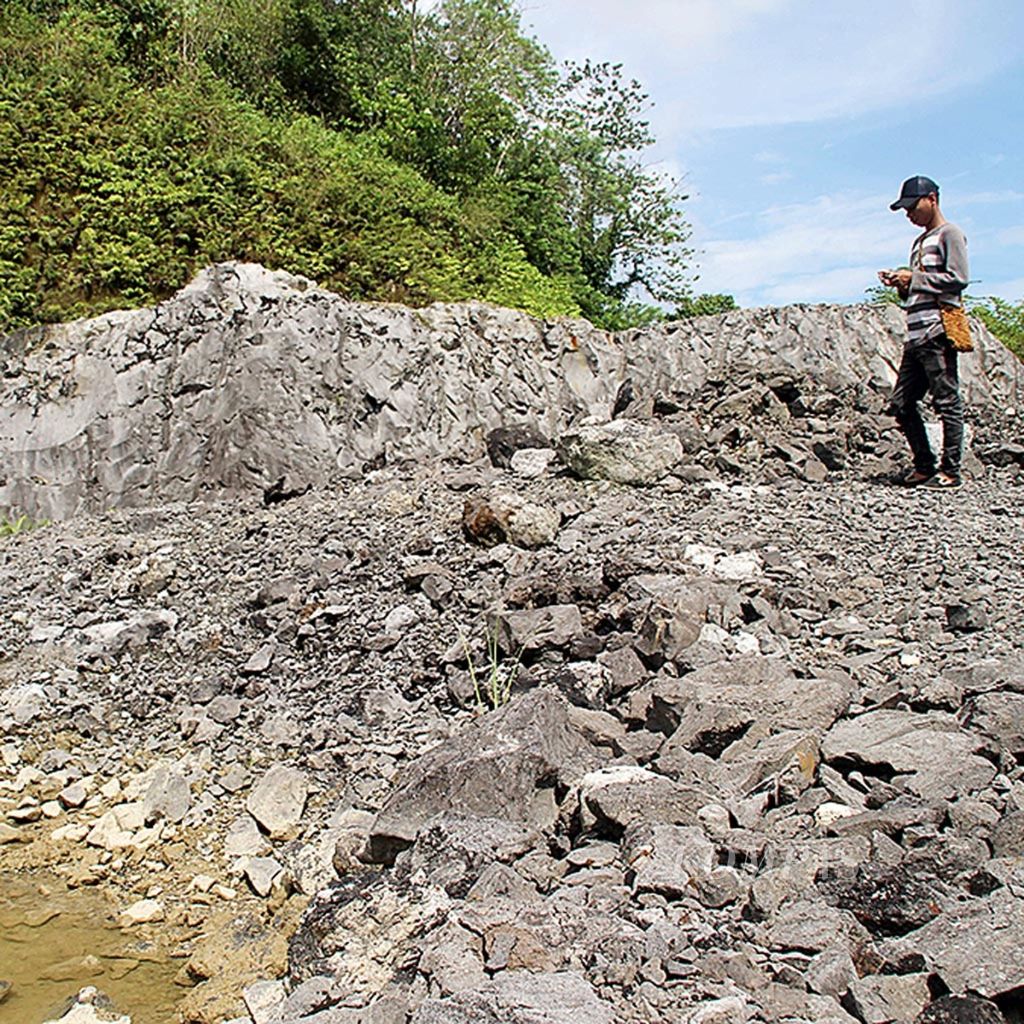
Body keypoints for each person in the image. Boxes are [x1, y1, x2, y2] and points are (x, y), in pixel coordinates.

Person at [878, 175, 969, 489]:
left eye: (912, 207)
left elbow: (958, 279)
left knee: (946, 401)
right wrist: (901, 283)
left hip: (938, 330)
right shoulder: (918, 243)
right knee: (901, 403)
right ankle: (924, 465)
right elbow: (919, 289)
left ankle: (951, 471)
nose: (909, 215)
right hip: (915, 335)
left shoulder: (950, 234)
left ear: (932, 199)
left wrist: (912, 278)